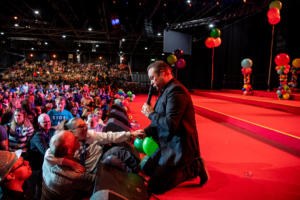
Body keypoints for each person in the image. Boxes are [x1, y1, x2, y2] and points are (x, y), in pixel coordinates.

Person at [139, 60, 208, 194]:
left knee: (155, 187)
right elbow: (159, 124)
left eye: (153, 78)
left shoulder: (176, 91)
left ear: (164, 74)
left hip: (179, 147)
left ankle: (194, 167)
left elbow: (170, 125)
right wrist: (144, 132)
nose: (151, 83)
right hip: (167, 144)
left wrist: (151, 113)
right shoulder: (165, 91)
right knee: (147, 169)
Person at [42, 130, 95, 200]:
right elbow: (97, 182)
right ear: (69, 151)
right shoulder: (73, 176)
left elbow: (48, 154)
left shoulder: (50, 154)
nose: (77, 137)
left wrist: (69, 162)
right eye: (74, 139)